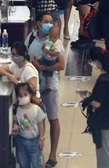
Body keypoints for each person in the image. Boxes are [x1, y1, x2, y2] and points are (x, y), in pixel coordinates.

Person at [26, 13, 65, 168]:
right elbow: (25, 57)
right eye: (46, 22)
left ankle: (52, 155)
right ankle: (35, 153)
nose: (49, 24)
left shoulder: (55, 42)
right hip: (32, 87)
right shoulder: (31, 38)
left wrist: (44, 67)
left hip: (50, 87)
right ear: (38, 23)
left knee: (53, 119)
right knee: (33, 119)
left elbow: (61, 65)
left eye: (51, 22)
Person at [80, 46, 109, 168]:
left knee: (103, 152)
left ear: (98, 61)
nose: (92, 64)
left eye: (93, 61)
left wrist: (87, 99)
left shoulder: (103, 80)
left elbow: (97, 103)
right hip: (108, 117)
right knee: (106, 149)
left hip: (102, 119)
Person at [13, 82, 47, 168]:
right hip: (21, 141)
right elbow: (15, 120)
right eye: (20, 95)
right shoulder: (17, 109)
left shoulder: (36, 109)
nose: (23, 97)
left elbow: (41, 124)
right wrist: (15, 125)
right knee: (23, 163)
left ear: (30, 95)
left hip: (34, 142)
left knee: (37, 163)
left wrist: (41, 138)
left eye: (25, 94)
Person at [38, 25, 63, 91]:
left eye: (54, 37)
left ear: (57, 37)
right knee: (38, 62)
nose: (51, 39)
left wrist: (49, 52)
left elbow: (57, 54)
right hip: (45, 58)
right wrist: (44, 48)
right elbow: (44, 48)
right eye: (50, 37)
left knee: (48, 74)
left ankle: (48, 86)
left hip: (51, 61)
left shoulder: (57, 44)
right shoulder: (48, 41)